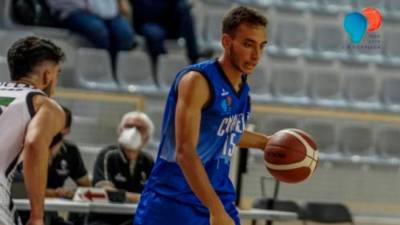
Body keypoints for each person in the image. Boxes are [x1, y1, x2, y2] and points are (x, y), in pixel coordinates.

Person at [134, 6, 269, 225]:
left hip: (217, 196)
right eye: (248, 44)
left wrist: (267, 143)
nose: (256, 55)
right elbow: (185, 151)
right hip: (174, 201)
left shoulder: (243, 90)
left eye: (261, 46)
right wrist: (215, 210)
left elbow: (223, 132)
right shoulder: (197, 81)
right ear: (226, 42)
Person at [0, 36, 66, 225]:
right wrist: (37, 215)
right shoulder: (44, 104)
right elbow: (35, 143)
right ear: (47, 76)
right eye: (57, 73)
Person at [17, 106, 91, 225]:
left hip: (50, 213)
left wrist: (72, 193)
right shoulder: (26, 148)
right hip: (23, 212)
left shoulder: (70, 151)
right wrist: (55, 193)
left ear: (66, 130)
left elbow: (87, 187)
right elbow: (20, 190)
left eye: (57, 123)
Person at [90, 111, 155, 225]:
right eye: (129, 126)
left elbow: (155, 194)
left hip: (135, 218)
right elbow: (105, 191)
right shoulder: (108, 154)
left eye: (140, 128)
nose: (134, 131)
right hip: (106, 218)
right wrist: (140, 198)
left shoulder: (148, 160)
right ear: (120, 131)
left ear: (148, 136)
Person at [46, 0, 134, 73]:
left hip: (107, 13)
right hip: (72, 9)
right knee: (97, 30)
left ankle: (117, 73)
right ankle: (101, 72)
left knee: (125, 33)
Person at [129, 0, 201, 72]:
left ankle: (194, 57)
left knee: (184, 7)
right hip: (148, 22)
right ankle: (165, 70)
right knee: (155, 34)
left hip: (166, 21)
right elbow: (142, 11)